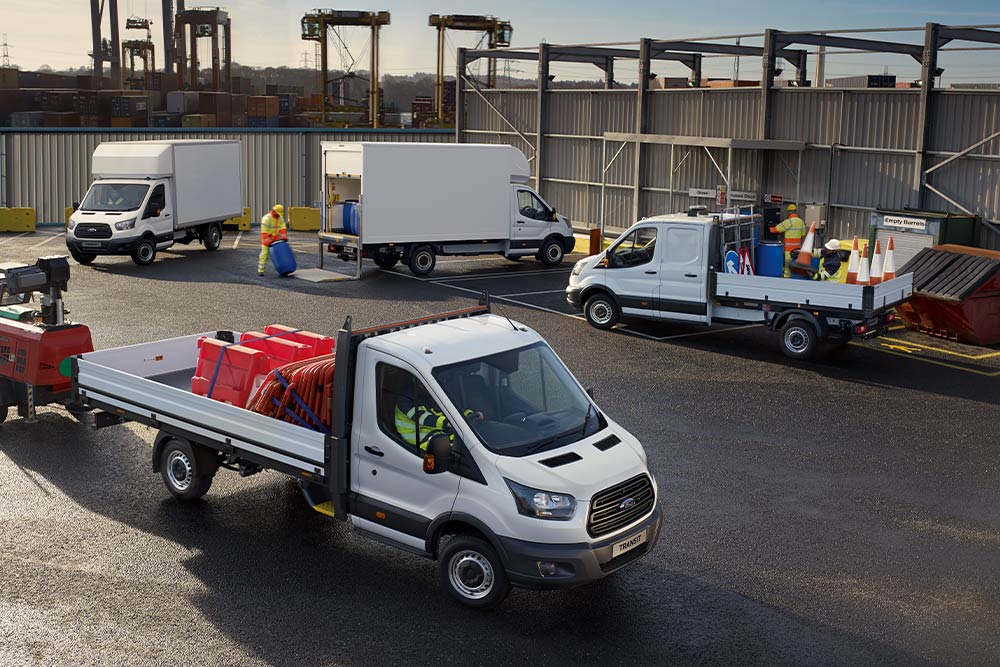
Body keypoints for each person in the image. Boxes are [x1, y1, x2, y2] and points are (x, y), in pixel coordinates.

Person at [769, 203, 807, 278]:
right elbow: (803, 235)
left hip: (788, 250)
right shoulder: (801, 222)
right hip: (797, 249)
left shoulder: (788, 222)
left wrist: (770, 228)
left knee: (787, 267)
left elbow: (777, 229)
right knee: (795, 266)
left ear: (789, 212)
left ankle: (786, 280)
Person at [258, 204, 288, 276]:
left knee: (281, 254)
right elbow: (264, 233)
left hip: (276, 239)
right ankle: (260, 270)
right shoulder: (266, 219)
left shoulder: (280, 218)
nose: (278, 215)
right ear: (274, 211)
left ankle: (284, 269)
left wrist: (284, 237)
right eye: (277, 214)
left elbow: (282, 228)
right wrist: (269, 240)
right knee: (264, 254)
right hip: (267, 238)